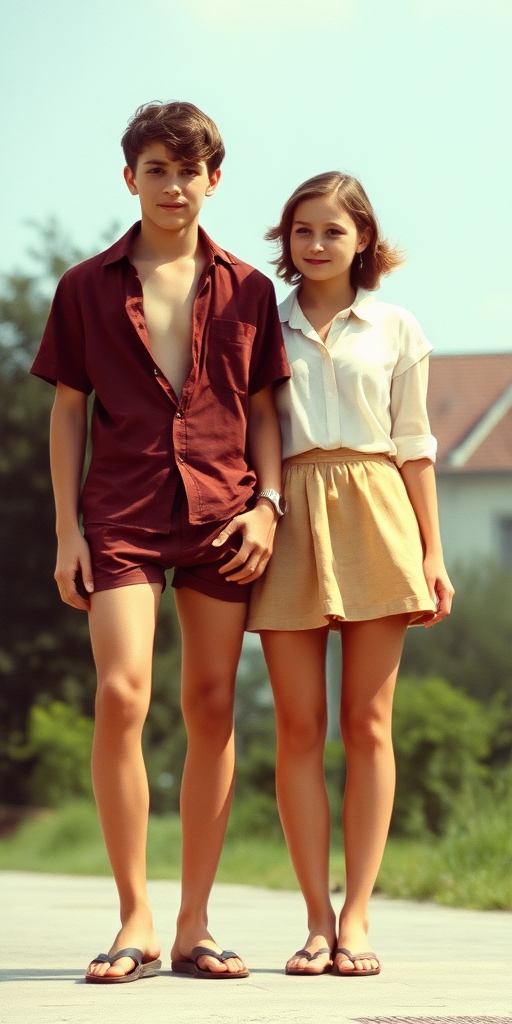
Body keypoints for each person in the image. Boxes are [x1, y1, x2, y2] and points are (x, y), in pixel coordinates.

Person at [30, 101, 290, 983]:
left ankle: (194, 924)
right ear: (129, 177)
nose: (172, 186)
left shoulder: (250, 287)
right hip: (120, 517)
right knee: (121, 691)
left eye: (189, 171)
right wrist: (66, 531)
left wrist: (270, 506)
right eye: (155, 170)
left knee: (211, 706)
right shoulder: (84, 287)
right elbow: (69, 412)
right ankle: (133, 915)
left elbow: (263, 413)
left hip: (224, 514)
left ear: (214, 179)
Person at [247, 171, 454, 977]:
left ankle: (359, 918)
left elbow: (417, 445)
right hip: (293, 512)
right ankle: (314, 920)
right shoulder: (263, 322)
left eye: (333, 230)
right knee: (299, 728)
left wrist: (433, 554)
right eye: (303, 231)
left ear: (362, 237)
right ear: (287, 241)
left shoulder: (398, 327)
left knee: (368, 726)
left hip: (378, 509)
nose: (317, 244)